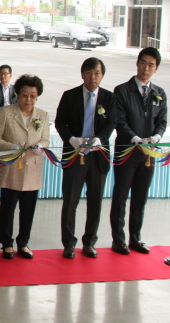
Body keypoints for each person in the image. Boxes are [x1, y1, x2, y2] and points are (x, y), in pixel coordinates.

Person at [55, 57, 117, 259]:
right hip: (75, 155)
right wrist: (71, 139)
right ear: (82, 74)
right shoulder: (70, 96)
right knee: (70, 202)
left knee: (95, 202)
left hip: (98, 157)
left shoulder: (109, 98)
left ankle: (89, 242)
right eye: (89, 73)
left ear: (102, 75)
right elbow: (60, 122)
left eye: (97, 73)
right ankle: (69, 244)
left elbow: (112, 123)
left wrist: (101, 139)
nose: (93, 77)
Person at [110, 47, 167, 255]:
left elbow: (162, 122)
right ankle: (118, 240)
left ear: (156, 68)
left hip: (148, 154)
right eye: (143, 63)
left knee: (140, 197)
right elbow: (119, 121)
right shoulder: (122, 90)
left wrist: (156, 138)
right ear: (137, 63)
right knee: (120, 196)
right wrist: (135, 139)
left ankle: (136, 238)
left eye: (151, 65)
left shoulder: (159, 93)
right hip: (127, 151)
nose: (146, 68)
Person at [0, 74, 49, 260]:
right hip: (11, 167)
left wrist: (41, 146)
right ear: (18, 94)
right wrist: (12, 147)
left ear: (37, 96)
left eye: (33, 95)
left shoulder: (42, 115)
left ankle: (23, 243)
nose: (28, 99)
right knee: (8, 209)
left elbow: (46, 139)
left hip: (32, 168)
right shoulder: (6, 112)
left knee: (28, 209)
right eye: (25, 95)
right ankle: (7, 243)